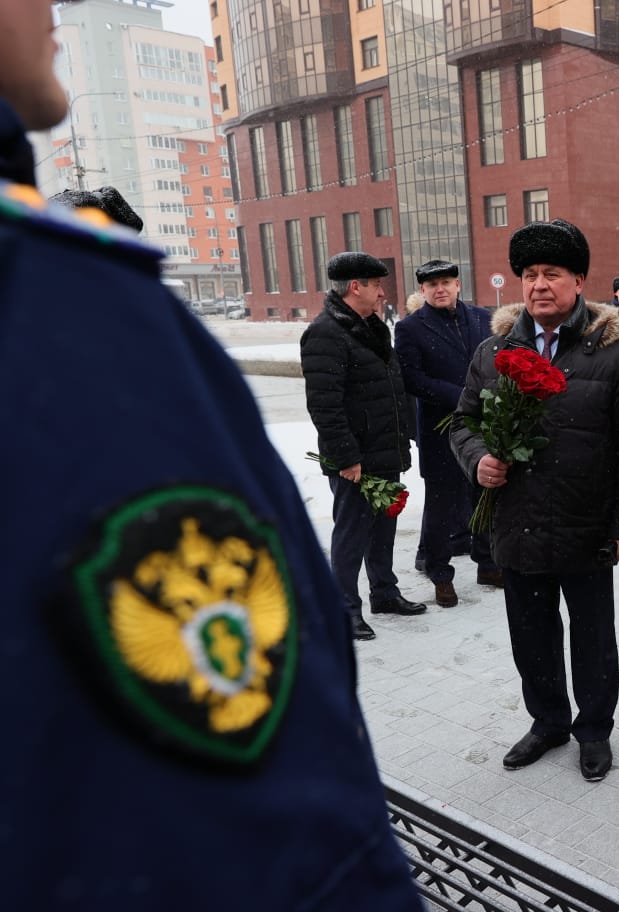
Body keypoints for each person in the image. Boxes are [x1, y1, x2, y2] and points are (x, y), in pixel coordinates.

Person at [0, 2, 421, 904]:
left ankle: (378, 588)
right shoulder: (67, 308)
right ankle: (361, 596)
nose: (50, 14)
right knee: (348, 543)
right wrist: (350, 460)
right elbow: (274, 829)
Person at [451, 218, 619, 782]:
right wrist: (478, 459)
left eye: (553, 274)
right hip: (516, 522)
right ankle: (547, 723)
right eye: (530, 274)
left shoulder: (615, 354)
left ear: (579, 280)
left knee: (592, 636)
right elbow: (462, 421)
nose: (539, 284)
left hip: (586, 524)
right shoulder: (494, 351)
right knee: (531, 633)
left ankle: (593, 731)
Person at [302, 252, 427, 641]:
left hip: (384, 448)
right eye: (376, 285)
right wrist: (345, 457)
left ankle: (384, 593)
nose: (382, 292)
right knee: (352, 532)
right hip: (355, 458)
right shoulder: (325, 333)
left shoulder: (372, 326)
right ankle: (344, 608)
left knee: (383, 525)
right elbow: (324, 404)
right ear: (356, 287)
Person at [394, 259, 498, 610]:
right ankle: (440, 574)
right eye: (431, 285)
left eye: (446, 282)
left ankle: (488, 563)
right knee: (442, 503)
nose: (440, 289)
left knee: (485, 493)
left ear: (458, 285)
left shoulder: (483, 319)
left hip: (483, 425)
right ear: (422, 291)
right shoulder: (410, 328)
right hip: (441, 429)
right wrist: (461, 396)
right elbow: (411, 378)